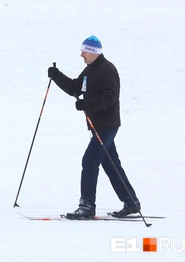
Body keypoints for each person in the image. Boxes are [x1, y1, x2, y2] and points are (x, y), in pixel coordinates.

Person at [47, 36, 141, 219]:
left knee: (89, 161)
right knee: (110, 163)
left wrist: (87, 104)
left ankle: (87, 207)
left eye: (84, 51)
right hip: (98, 125)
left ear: (94, 52)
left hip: (107, 125)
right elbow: (76, 88)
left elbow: (110, 97)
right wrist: (57, 76)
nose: (81, 54)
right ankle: (131, 203)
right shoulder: (90, 70)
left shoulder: (107, 70)